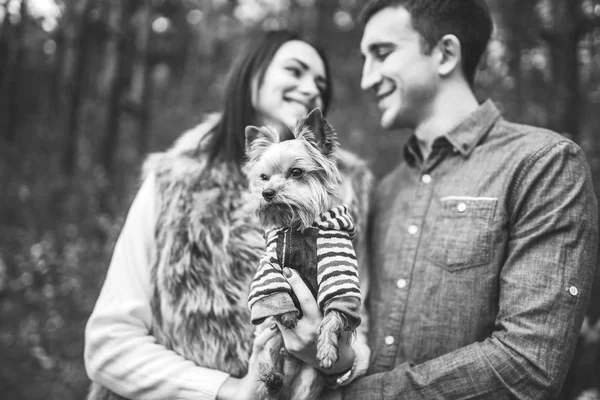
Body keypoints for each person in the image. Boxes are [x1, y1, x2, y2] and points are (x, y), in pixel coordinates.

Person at [278, 0, 599, 399]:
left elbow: (527, 365)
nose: (366, 78)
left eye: (382, 53)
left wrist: (356, 397)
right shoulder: (384, 190)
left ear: (445, 53)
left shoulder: (541, 163)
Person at [84, 29, 374, 400]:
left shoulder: (347, 195)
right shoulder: (174, 182)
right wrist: (225, 390)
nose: (311, 88)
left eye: (321, 83)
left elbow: (358, 324)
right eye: (295, 70)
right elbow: (110, 343)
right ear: (252, 77)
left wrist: (333, 357)